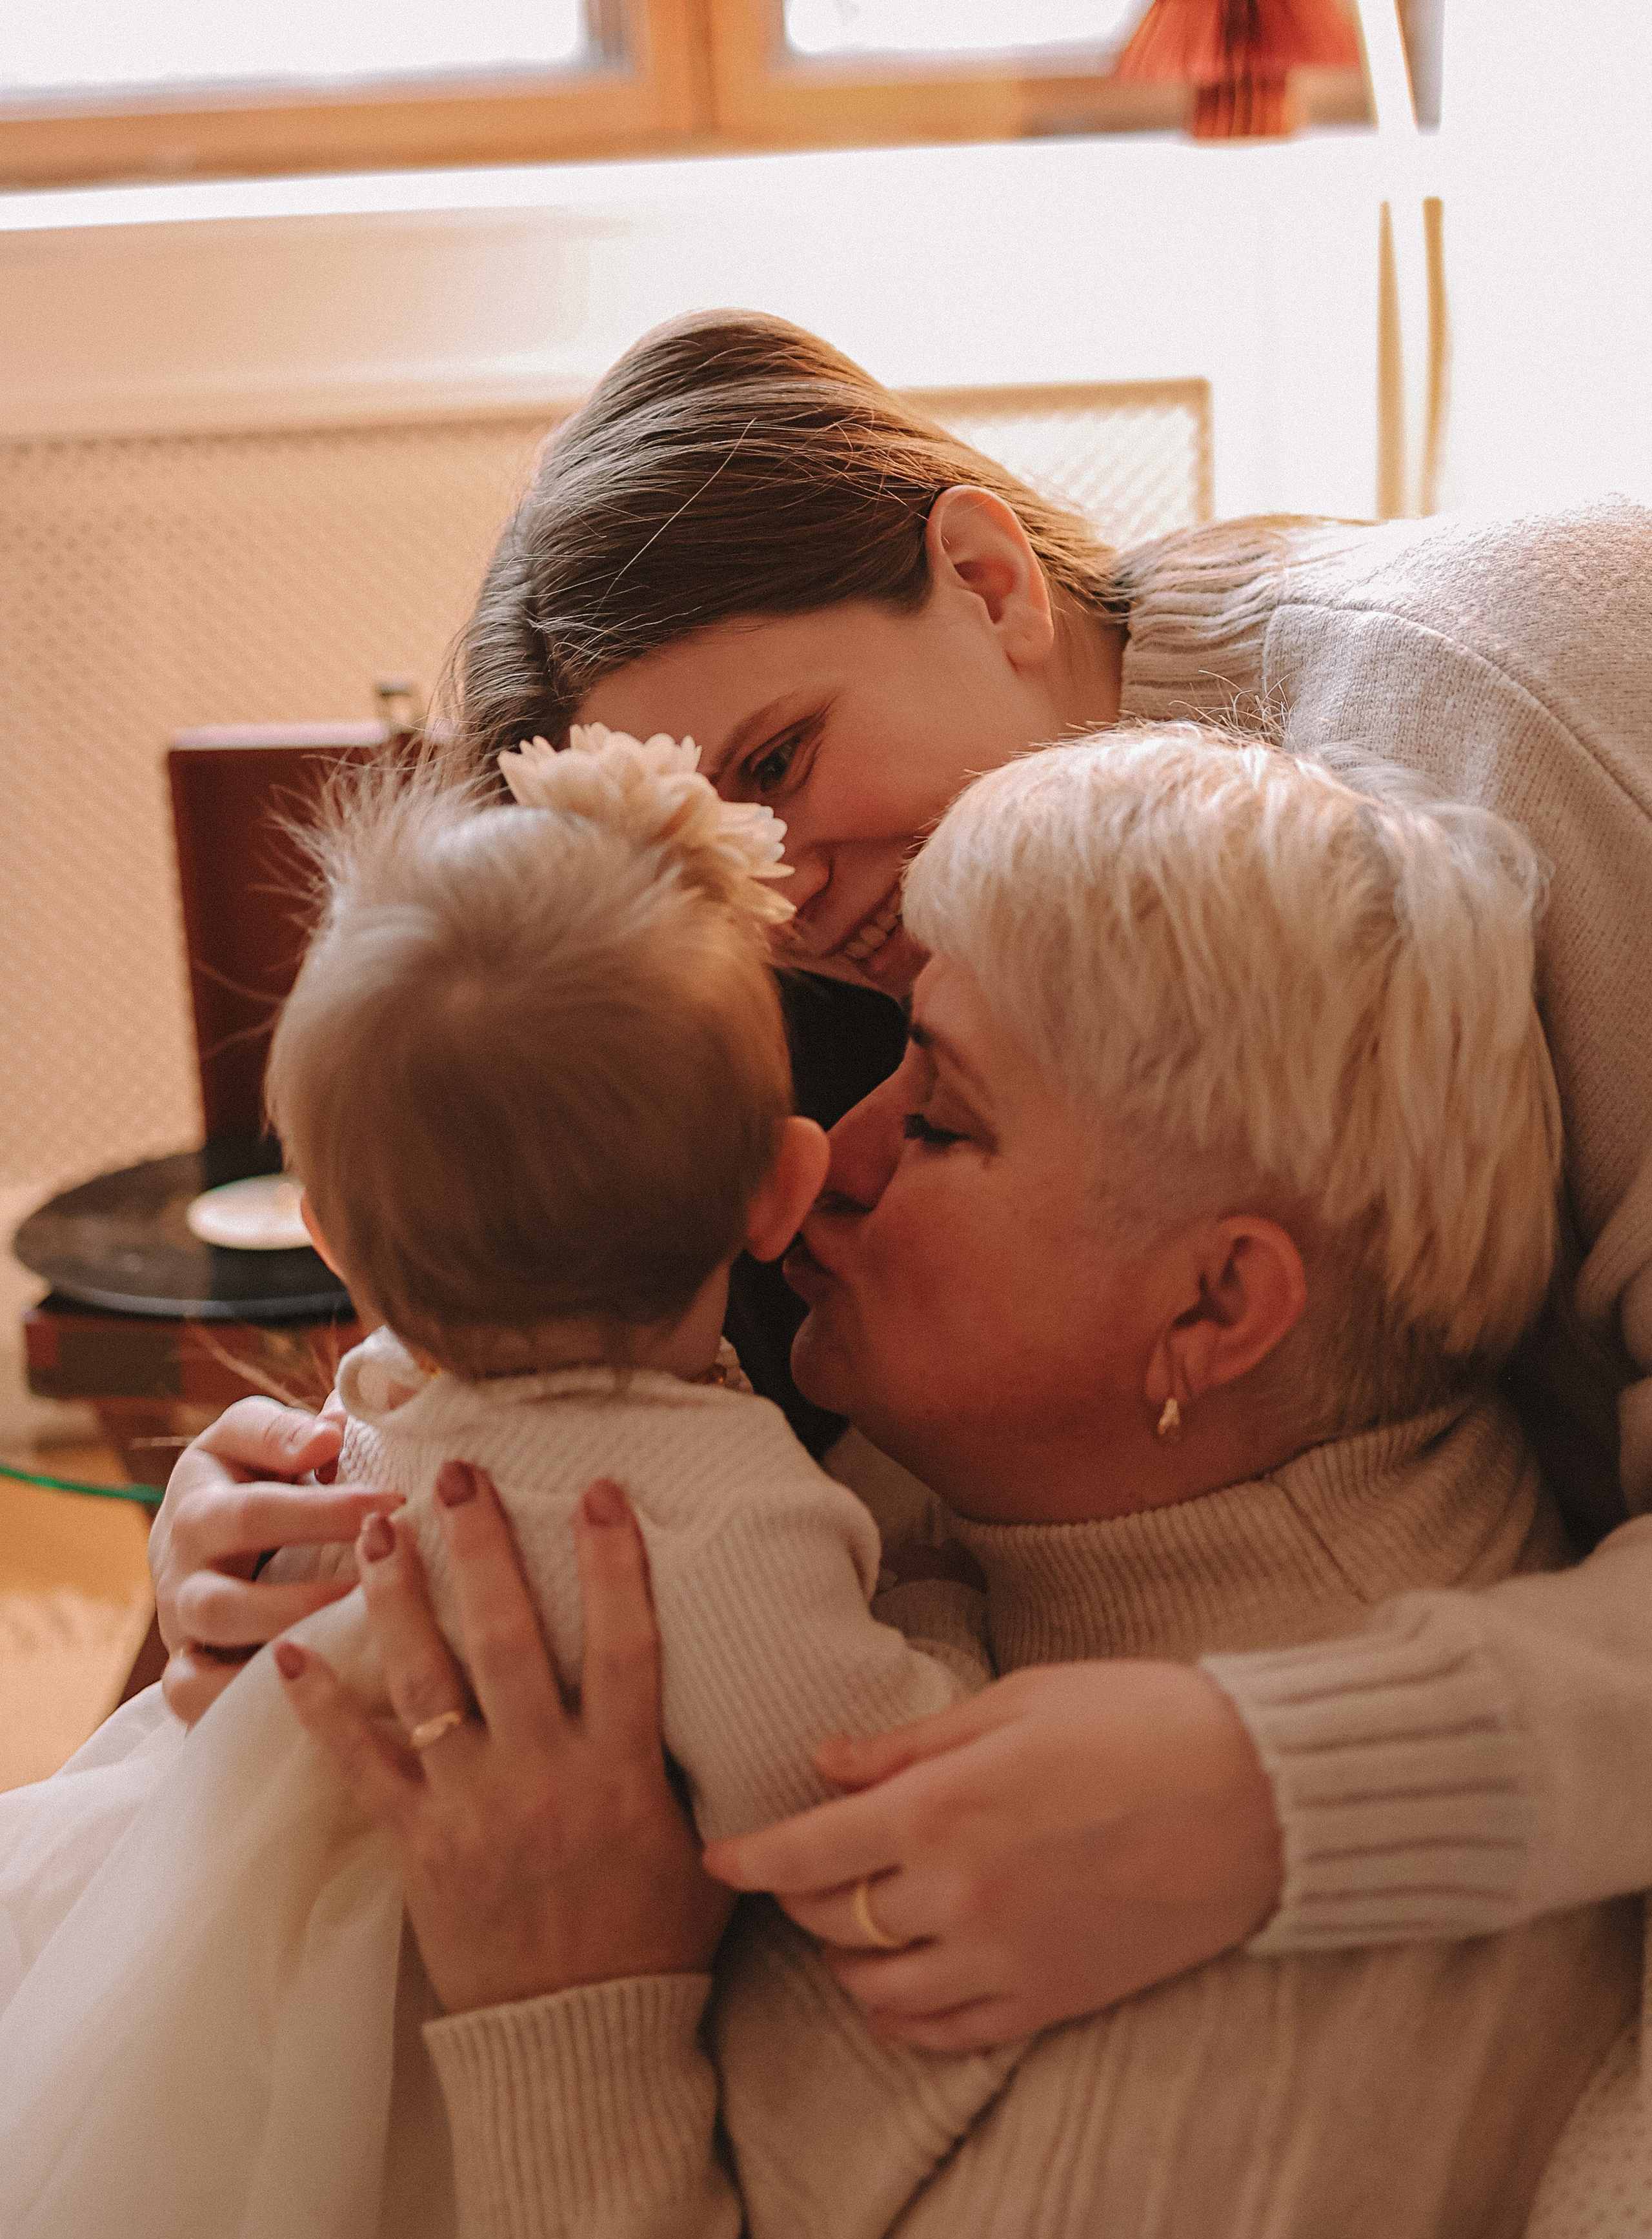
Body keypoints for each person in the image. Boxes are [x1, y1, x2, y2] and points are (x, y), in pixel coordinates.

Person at [152, 310, 1652, 2063]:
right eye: (709, 851)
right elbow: (675, 1474)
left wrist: (1266, 1780)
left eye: (779, 762)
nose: (778, 895)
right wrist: (306, 1550)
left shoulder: (1500, 707)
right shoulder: (815, 977)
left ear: (987, 575)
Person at [280, 729, 1638, 2239]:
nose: (825, 1158)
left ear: (1217, 1304)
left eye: (936, 1113)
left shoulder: (1268, 1985)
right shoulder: (1054, 1487)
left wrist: (569, 2010)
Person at [0, 729, 987, 2239]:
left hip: (218, 1999)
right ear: (783, 1185)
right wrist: (949, 1624)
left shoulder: (374, 1403)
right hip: (453, 2082)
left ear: (335, 1242)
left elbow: (258, 1645)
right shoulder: (724, 1512)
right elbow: (836, 1776)